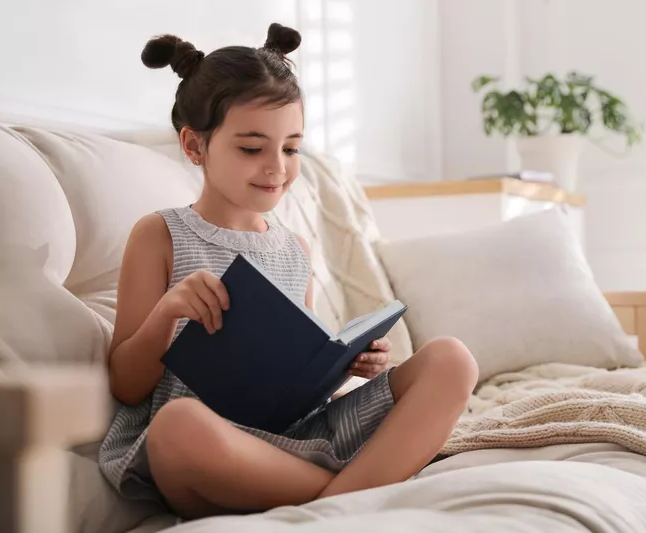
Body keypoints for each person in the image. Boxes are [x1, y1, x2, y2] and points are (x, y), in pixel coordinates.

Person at [98, 23, 478, 520]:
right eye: (252, 149)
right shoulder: (160, 235)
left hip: (298, 437)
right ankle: (358, 495)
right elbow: (126, 385)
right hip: (215, 448)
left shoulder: (292, 247)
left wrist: (346, 365)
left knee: (452, 359)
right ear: (195, 147)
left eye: (292, 148)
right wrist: (169, 311)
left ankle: (332, 502)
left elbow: (298, 376)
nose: (277, 167)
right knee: (176, 424)